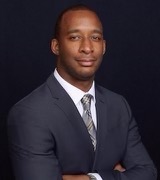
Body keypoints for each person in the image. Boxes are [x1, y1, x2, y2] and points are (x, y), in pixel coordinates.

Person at [8, 4, 157, 180]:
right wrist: (118, 174)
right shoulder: (29, 113)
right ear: (56, 46)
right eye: (75, 37)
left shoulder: (119, 105)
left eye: (95, 37)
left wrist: (92, 178)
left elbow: (148, 173)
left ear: (104, 46)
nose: (87, 47)